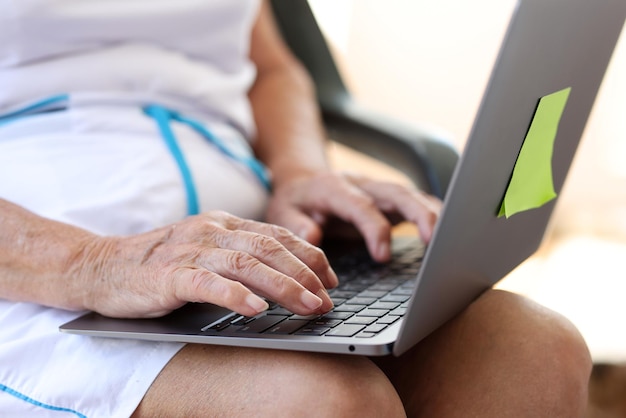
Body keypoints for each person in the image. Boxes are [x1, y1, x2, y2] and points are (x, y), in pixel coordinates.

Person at [0, 1, 591, 416]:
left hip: (244, 232)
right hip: (41, 273)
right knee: (325, 404)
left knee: (532, 350)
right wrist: (96, 262)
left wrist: (300, 173)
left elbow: (270, 68)